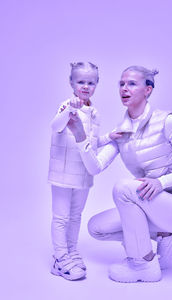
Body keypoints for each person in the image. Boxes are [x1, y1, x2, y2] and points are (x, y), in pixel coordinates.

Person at [67, 65, 172, 283]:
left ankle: (142, 263)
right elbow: (95, 168)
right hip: (156, 206)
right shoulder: (122, 131)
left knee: (123, 188)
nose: (124, 88)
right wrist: (81, 137)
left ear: (148, 90)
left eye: (131, 83)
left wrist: (161, 182)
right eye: (121, 83)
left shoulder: (166, 121)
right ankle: (166, 236)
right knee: (97, 228)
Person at [48, 62, 111, 281]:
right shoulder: (66, 105)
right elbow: (56, 126)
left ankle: (72, 252)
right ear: (71, 83)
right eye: (81, 81)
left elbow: (91, 143)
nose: (85, 86)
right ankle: (60, 258)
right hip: (63, 173)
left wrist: (109, 138)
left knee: (75, 216)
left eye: (90, 82)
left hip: (83, 174)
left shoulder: (94, 113)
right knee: (61, 217)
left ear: (96, 84)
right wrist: (70, 110)